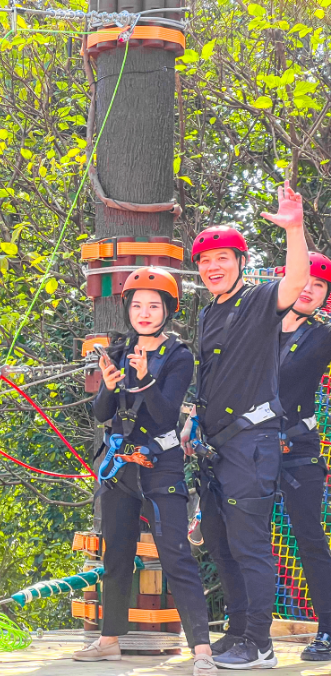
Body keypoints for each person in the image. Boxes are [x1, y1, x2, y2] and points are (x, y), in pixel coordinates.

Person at [181, 181, 309, 669]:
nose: (213, 267)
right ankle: (237, 632)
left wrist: (294, 229)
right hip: (216, 447)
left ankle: (260, 644)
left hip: (251, 446)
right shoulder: (208, 312)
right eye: (206, 261)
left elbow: (296, 283)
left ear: (240, 262)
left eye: (223, 259)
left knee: (250, 545)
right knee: (221, 543)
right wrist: (194, 419)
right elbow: (211, 377)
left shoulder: (257, 303)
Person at [74, 268, 215, 676]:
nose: (145, 313)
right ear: (127, 310)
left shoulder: (178, 355)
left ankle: (202, 649)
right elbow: (102, 413)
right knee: (116, 554)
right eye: (137, 306)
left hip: (160, 465)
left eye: (154, 306)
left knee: (176, 556)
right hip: (120, 467)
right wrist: (108, 385)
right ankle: (109, 641)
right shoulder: (118, 352)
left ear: (167, 310)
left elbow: (166, 413)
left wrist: (145, 378)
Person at [271, 252, 331, 661]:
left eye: (319, 285)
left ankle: (327, 629)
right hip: (251, 447)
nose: (308, 288)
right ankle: (247, 629)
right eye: (303, 279)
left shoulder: (322, 335)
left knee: (310, 539)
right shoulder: (258, 328)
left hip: (299, 449)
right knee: (241, 538)